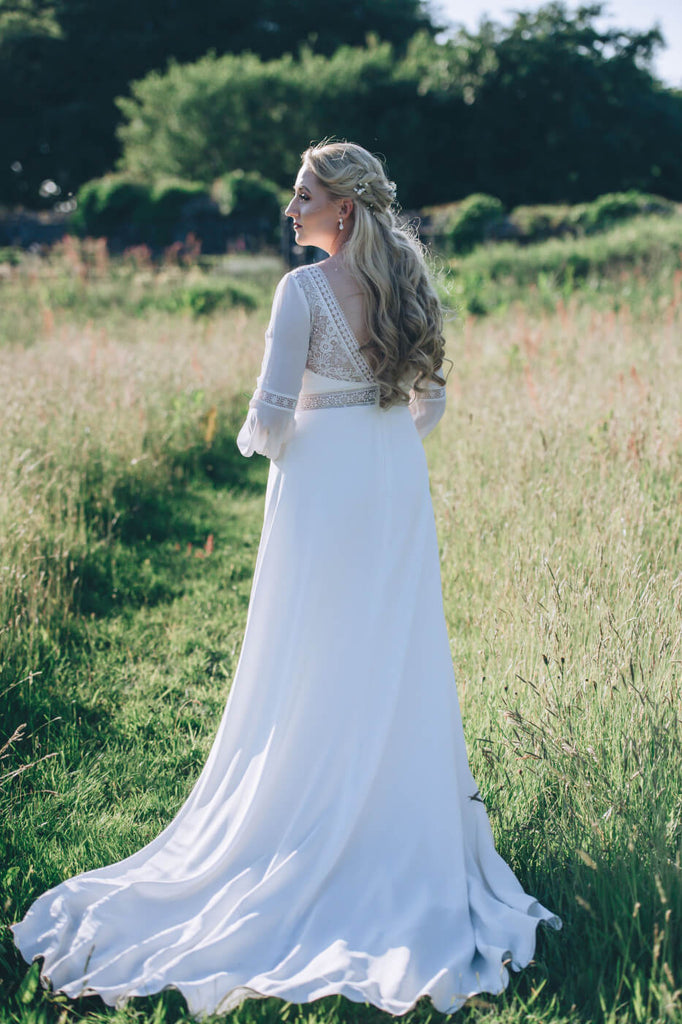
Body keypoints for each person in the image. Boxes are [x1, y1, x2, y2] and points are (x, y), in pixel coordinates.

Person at [12, 141, 560, 1017]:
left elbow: (268, 420)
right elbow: (434, 400)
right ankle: (390, 808)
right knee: (390, 638)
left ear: (342, 208)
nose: (290, 207)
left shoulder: (299, 292)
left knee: (312, 643)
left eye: (303, 194)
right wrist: (384, 443)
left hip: (321, 481)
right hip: (390, 477)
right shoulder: (408, 275)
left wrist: (260, 440)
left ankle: (311, 808)